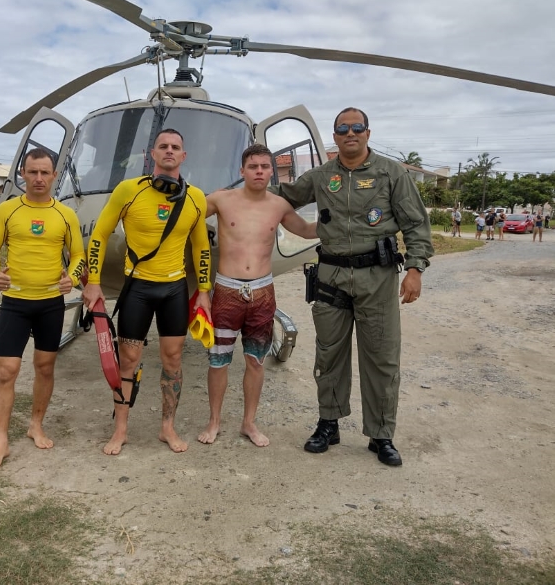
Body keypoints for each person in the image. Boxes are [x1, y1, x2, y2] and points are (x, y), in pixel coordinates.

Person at [272, 107, 433, 467]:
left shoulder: (391, 173)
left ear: (368, 133)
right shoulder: (320, 176)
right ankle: (328, 424)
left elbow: (415, 225)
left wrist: (415, 269)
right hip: (331, 275)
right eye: (342, 129)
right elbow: (280, 196)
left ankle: (381, 435)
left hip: (376, 276)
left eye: (356, 128)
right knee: (329, 354)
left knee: (381, 356)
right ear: (335, 136)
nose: (350, 133)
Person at [82, 129, 212, 455]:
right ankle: (121, 430)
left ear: (184, 156)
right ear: (151, 154)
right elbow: (99, 234)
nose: (169, 151)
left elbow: (201, 248)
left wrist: (205, 292)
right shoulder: (129, 190)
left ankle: (167, 427)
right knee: (129, 359)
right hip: (137, 288)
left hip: (174, 289)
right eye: (163, 146)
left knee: (173, 359)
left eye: (176, 147)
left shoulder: (196, 197)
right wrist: (94, 281)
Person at [197, 144, 317, 447]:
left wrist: (344, 221)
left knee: (256, 361)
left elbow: (305, 230)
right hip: (226, 291)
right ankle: (214, 422)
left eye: (265, 166)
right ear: (242, 171)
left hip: (262, 293)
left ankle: (249, 423)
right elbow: (188, 217)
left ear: (271, 171)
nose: (260, 171)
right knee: (218, 360)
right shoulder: (221, 199)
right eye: (253, 167)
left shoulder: (278, 205)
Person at [0, 148, 86, 470]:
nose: (38, 178)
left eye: (45, 173)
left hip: (50, 304)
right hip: (15, 303)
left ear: (55, 176)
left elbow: (79, 256)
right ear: (22, 174)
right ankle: (1, 441)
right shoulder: (8, 211)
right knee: (6, 371)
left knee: (45, 367)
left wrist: (74, 278)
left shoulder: (66, 215)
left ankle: (35, 424)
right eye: (32, 172)